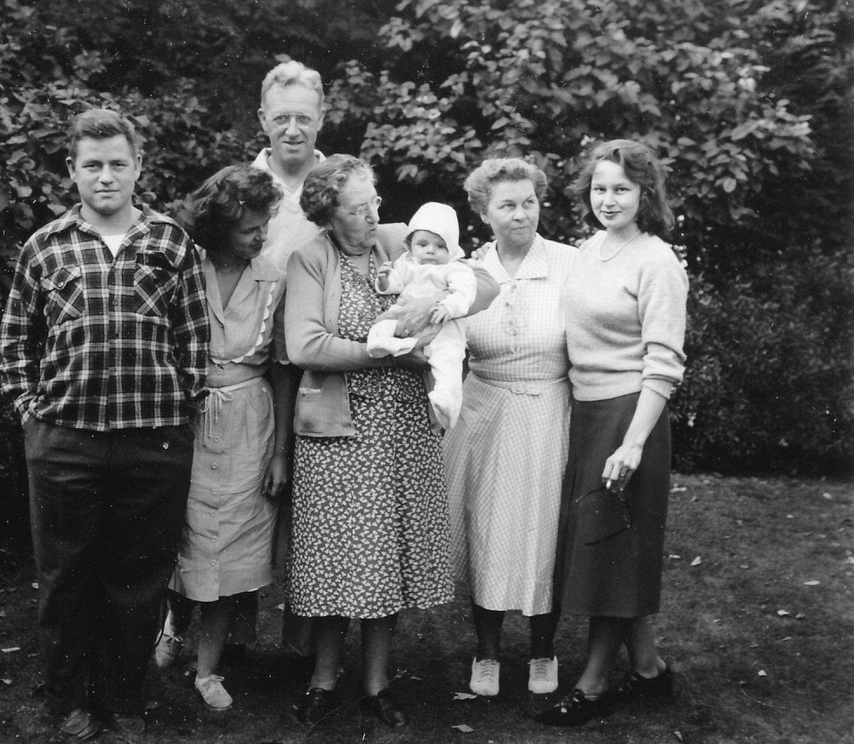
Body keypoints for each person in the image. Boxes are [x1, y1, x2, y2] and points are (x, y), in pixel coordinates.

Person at [0, 109, 209, 741]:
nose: (107, 176)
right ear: (73, 172)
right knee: (66, 579)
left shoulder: (171, 242)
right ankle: (69, 699)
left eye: (119, 163)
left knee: (138, 579)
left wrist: (184, 404)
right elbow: (15, 341)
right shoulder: (45, 246)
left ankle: (123, 698)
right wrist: (30, 412)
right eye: (93, 165)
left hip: (153, 440)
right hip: (65, 440)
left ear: (138, 167)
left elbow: (194, 339)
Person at [283, 154, 456, 728]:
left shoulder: (396, 240)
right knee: (335, 558)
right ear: (328, 215)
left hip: (401, 427)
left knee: (389, 556)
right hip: (339, 431)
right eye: (360, 209)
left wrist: (443, 303)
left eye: (375, 201)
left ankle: (378, 682)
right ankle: (323, 679)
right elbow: (306, 346)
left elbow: (476, 276)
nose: (376, 215)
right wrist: (380, 351)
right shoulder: (310, 259)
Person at [536, 139, 688, 726]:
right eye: (600, 188)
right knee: (612, 547)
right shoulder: (587, 250)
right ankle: (649, 670)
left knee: (610, 550)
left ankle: (593, 685)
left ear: (645, 194)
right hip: (587, 413)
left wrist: (633, 441)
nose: (608, 199)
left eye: (621, 189)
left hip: (631, 418)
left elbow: (664, 362)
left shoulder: (657, 261)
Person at [443, 158, 576, 699]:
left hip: (550, 408)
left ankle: (544, 651)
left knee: (547, 529)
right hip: (485, 413)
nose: (520, 215)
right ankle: (488, 652)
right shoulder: (467, 273)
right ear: (484, 212)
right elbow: (449, 344)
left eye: (529, 202)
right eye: (507, 205)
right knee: (488, 531)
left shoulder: (569, 264)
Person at [165, 165, 294, 711]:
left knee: (233, 547)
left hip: (249, 424)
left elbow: (283, 369)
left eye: (265, 223)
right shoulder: (181, 271)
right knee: (185, 539)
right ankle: (172, 627)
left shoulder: (273, 279)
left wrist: (281, 451)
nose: (261, 235)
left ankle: (209, 669)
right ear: (219, 226)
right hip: (188, 419)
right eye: (249, 227)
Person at [367, 202, 477, 430]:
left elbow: (465, 292)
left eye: (440, 246)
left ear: (451, 249)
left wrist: (448, 307)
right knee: (384, 322)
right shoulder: (407, 264)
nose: (430, 251)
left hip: (442, 325)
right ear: (410, 244)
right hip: (406, 315)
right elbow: (395, 284)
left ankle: (446, 402)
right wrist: (384, 280)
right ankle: (381, 344)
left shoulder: (454, 269)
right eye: (423, 244)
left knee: (448, 361)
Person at [252, 60, 327, 273]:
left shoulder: (345, 189)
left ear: (320, 119)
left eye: (303, 118)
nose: (292, 131)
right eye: (281, 118)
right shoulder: (236, 190)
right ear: (264, 119)